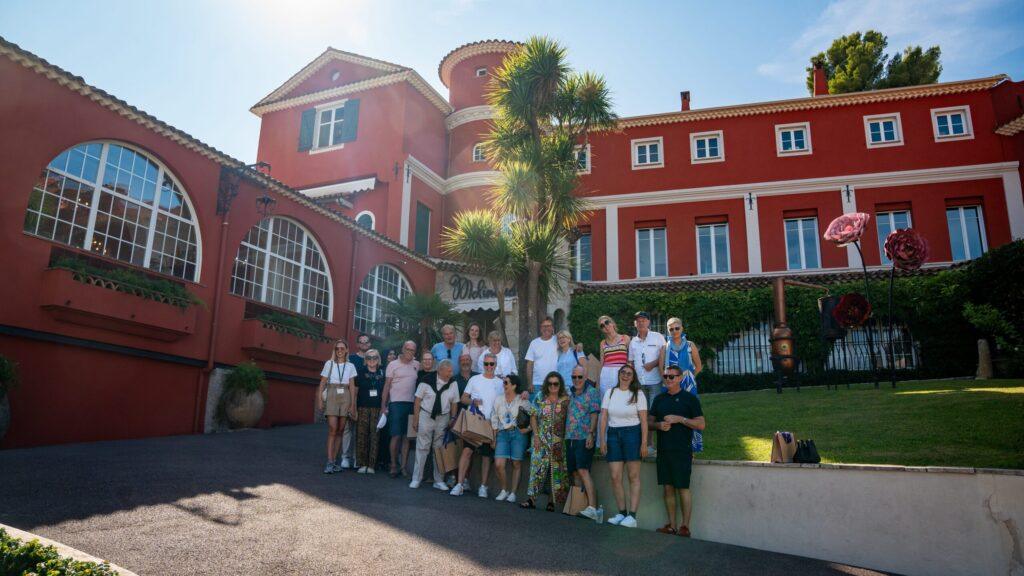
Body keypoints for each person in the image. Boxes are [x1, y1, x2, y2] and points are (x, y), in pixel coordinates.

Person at [649, 365, 706, 537]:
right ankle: (672, 525)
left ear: (680, 378)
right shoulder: (659, 399)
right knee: (667, 488)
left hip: (682, 449)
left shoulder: (690, 399)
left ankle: (685, 527)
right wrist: (658, 425)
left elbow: (701, 424)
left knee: (682, 487)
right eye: (665, 376)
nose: (667, 380)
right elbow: (649, 422)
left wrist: (680, 419)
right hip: (664, 450)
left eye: (671, 377)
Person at [599, 364, 648, 528]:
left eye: (629, 373)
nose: (626, 375)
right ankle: (622, 512)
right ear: (619, 375)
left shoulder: (638, 394)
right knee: (615, 477)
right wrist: (603, 440)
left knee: (633, 476)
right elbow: (604, 418)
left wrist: (644, 443)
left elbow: (644, 421)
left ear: (633, 377)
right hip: (613, 434)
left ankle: (632, 516)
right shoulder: (610, 392)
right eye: (623, 373)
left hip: (632, 434)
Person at [452, 352, 503, 497]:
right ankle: (459, 484)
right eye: (486, 364)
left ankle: (483, 486)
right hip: (474, 421)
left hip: (490, 423)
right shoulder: (475, 379)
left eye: (491, 364)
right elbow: (463, 398)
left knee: (486, 456)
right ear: (483, 365)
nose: (488, 367)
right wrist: (472, 402)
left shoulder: (500, 383)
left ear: (495, 365)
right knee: (467, 451)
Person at [521, 372, 570, 511]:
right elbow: (533, 416)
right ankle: (531, 500)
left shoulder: (566, 400)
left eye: (556, 383)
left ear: (560, 384)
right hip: (541, 439)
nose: (553, 386)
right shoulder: (540, 397)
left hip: (559, 441)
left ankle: (551, 502)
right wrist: (536, 436)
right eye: (550, 383)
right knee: (536, 468)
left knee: (554, 471)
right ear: (546, 385)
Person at [411, 359, 460, 490]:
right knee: (422, 447)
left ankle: (438, 480)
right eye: (449, 371)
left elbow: (455, 401)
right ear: (440, 370)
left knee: (438, 449)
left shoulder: (453, 383)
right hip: (426, 415)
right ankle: (416, 479)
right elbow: (417, 400)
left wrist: (453, 418)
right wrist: (415, 419)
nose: (451, 373)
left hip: (443, 417)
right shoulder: (426, 380)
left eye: (451, 371)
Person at [662, 317, 704, 453]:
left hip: (688, 384)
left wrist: (689, 378)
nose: (674, 331)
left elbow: (698, 366)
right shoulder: (665, 347)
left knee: (691, 414)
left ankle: (692, 448)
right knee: (670, 413)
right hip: (670, 383)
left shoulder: (690, 345)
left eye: (677, 328)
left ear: (682, 329)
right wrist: (668, 380)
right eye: (671, 329)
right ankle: (673, 446)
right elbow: (660, 368)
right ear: (668, 330)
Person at [316, 340, 358, 474]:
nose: (339, 350)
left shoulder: (350, 366)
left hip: (345, 395)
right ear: (334, 350)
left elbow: (352, 386)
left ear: (346, 350)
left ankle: (334, 461)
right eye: (337, 348)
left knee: (341, 429)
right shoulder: (329, 364)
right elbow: (322, 383)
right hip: (332, 393)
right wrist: (320, 401)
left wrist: (352, 405)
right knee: (333, 428)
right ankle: (329, 461)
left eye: (342, 348)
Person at [565, 364, 601, 520]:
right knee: (574, 472)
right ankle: (579, 505)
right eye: (574, 377)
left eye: (580, 377)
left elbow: (594, 415)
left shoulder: (592, 392)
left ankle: (593, 508)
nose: (577, 380)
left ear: (585, 377)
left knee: (583, 470)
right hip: (570, 437)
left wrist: (591, 434)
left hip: (584, 436)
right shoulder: (570, 393)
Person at [381, 341, 419, 478]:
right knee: (395, 435)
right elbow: (386, 386)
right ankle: (393, 465)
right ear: (403, 349)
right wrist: (383, 405)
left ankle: (403, 467)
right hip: (396, 403)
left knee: (407, 437)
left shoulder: (417, 364)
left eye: (413, 350)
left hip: (411, 404)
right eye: (408, 349)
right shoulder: (393, 365)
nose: (410, 352)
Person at [629, 311, 665, 456]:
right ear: (635, 324)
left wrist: (654, 364)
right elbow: (631, 362)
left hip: (655, 381)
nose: (641, 322)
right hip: (640, 383)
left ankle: (651, 445)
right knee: (642, 414)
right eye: (638, 320)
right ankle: (643, 443)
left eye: (643, 320)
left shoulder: (658, 337)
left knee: (652, 414)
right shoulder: (633, 342)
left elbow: (665, 355)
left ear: (649, 322)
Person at [491, 374, 531, 503]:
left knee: (516, 463)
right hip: (502, 433)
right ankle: (504, 490)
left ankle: (513, 493)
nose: (504, 385)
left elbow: (533, 417)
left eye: (506, 383)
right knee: (498, 464)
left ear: (514, 385)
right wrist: (493, 437)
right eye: (503, 382)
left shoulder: (522, 400)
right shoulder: (498, 399)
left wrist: (528, 429)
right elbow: (494, 419)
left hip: (518, 433)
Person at [339, 333, 373, 469]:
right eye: (361, 342)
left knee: (361, 430)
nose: (364, 344)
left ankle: (356, 457)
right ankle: (344, 457)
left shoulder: (373, 358)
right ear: (358, 344)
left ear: (370, 344)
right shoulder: (351, 358)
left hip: (365, 400)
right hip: (349, 397)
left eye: (366, 342)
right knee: (347, 429)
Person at [354, 349, 385, 474]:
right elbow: (355, 392)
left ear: (378, 359)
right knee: (362, 435)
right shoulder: (360, 372)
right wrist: (353, 408)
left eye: (374, 357)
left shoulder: (383, 373)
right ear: (365, 360)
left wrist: (384, 408)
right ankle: (362, 464)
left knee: (375, 436)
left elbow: (385, 392)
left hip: (377, 408)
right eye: (369, 358)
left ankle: (371, 465)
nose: (372, 360)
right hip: (362, 407)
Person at [525, 317, 559, 398]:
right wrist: (530, 383)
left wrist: (578, 345)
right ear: (540, 328)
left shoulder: (558, 340)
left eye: (548, 325)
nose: (546, 328)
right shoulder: (534, 343)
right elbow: (529, 364)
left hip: (554, 383)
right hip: (537, 384)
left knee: (553, 409)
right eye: (543, 326)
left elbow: (569, 344)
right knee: (536, 410)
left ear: (552, 328)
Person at [597, 315, 630, 398]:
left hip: (622, 373)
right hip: (606, 374)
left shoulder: (625, 338)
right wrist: (597, 381)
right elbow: (601, 362)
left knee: (622, 398)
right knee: (606, 399)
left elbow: (630, 359)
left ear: (612, 323)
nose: (605, 326)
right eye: (602, 326)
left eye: (607, 322)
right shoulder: (602, 343)